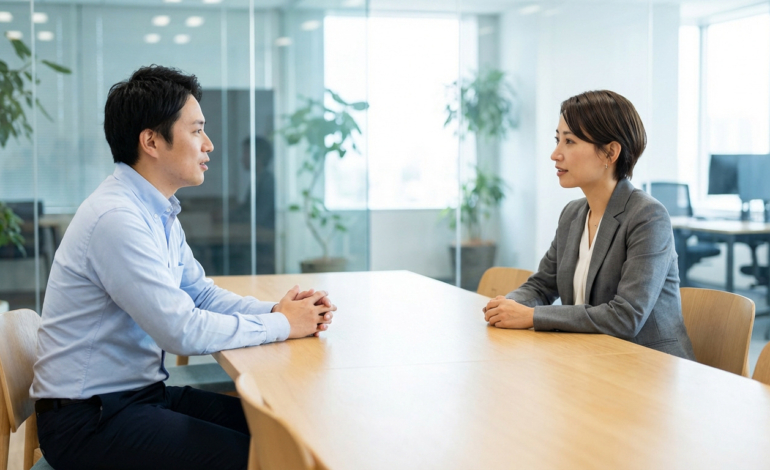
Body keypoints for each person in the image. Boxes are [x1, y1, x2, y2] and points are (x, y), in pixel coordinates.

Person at [30, 65, 336, 470]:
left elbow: (201, 294)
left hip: (136, 397)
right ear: (152, 141)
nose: (208, 144)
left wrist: (278, 312)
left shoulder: (155, 210)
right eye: (196, 131)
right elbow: (181, 330)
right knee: (268, 456)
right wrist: (284, 325)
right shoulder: (117, 217)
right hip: (90, 422)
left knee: (287, 429)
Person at [483, 90, 695, 360]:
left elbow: (625, 317)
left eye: (569, 141)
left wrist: (533, 316)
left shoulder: (648, 217)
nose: (555, 154)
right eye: (557, 139)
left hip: (648, 366)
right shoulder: (572, 214)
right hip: (592, 358)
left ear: (610, 152)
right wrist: (508, 305)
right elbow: (541, 286)